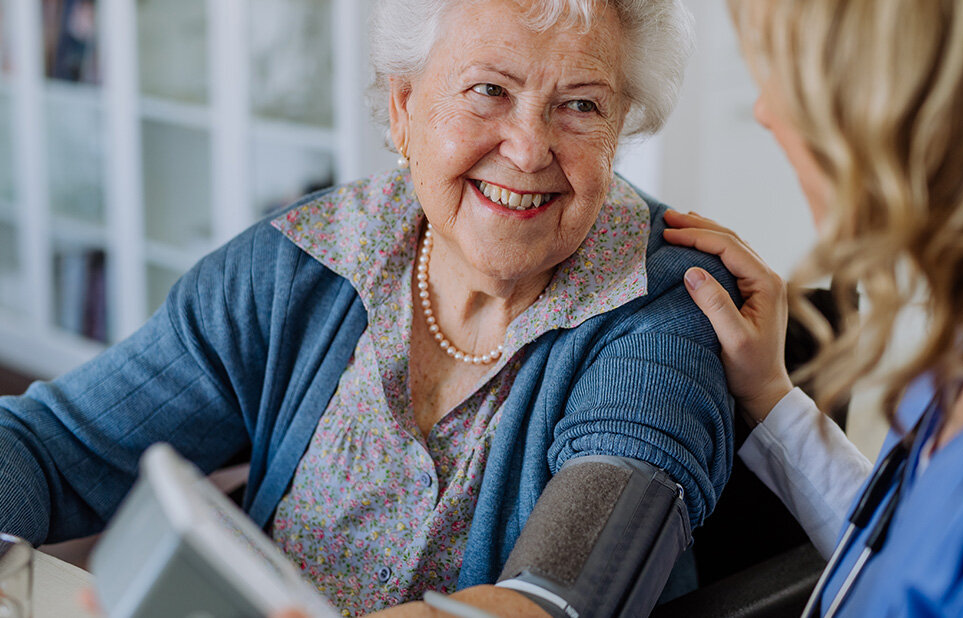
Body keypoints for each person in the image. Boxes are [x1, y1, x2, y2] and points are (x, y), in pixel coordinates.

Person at [0, 1, 739, 616]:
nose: (527, 147)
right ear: (405, 105)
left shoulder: (663, 308)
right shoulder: (301, 262)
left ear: (620, 131)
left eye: (580, 105)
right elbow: (51, 444)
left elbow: (566, 597)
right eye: (489, 90)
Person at [665, 0, 963, 615]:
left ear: (900, 105)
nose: (764, 112)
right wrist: (768, 393)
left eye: (785, 75)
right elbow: (912, 556)